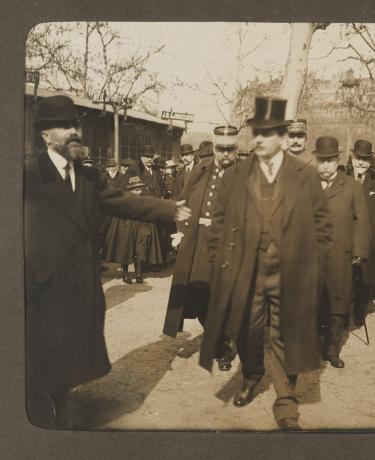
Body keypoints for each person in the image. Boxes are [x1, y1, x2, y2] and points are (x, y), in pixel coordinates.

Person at [24, 95, 191, 428]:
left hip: (81, 284)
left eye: (76, 125)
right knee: (40, 358)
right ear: (46, 135)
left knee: (71, 355)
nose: (74, 132)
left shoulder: (89, 176)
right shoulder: (28, 174)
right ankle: (44, 420)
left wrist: (171, 209)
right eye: (64, 126)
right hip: (41, 287)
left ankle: (58, 407)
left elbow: (124, 201)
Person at [198, 96, 332, 430]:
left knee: (285, 334)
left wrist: (309, 268)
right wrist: (220, 261)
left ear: (282, 137)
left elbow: (322, 226)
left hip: (289, 272)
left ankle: (286, 404)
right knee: (247, 329)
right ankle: (253, 373)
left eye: (267, 133)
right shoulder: (236, 174)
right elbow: (216, 222)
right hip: (247, 270)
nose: (259, 139)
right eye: (255, 132)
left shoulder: (304, 174)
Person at [163, 125, 240, 371]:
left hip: (229, 248)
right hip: (199, 245)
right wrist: (182, 231)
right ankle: (220, 343)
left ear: (236, 148)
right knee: (198, 299)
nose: (225, 154)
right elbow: (183, 201)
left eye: (230, 149)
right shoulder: (201, 169)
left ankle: (224, 347)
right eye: (221, 148)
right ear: (214, 147)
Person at [314, 136, 370, 369]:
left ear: (337, 160)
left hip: (340, 255)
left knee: (338, 303)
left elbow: (362, 221)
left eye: (330, 161)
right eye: (321, 161)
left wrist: (358, 249)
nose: (325, 166)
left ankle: (332, 349)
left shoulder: (351, 187)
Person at [345, 139, 375, 325]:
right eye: (358, 158)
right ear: (352, 158)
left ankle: (359, 311)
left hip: (368, 237)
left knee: (363, 278)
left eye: (365, 159)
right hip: (346, 237)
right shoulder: (343, 177)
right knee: (345, 276)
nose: (361, 162)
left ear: (370, 161)